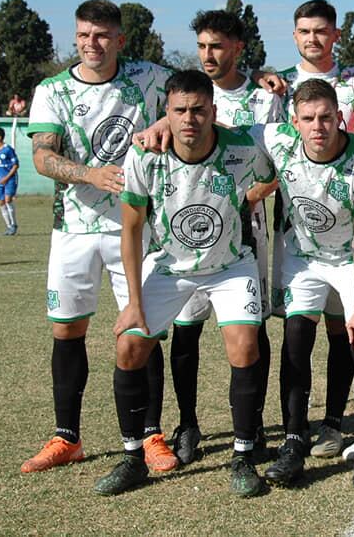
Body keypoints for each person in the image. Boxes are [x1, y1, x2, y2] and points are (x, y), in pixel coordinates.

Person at [93, 69, 275, 497]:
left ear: (213, 111)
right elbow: (132, 230)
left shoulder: (242, 146)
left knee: (245, 343)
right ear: (166, 114)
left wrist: (248, 197)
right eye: (180, 110)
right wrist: (134, 303)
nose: (189, 119)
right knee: (130, 345)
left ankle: (244, 455)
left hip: (231, 264)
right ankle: (133, 456)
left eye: (198, 110)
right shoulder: (144, 157)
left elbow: (274, 171)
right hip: (170, 268)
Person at [22, 0, 175, 475]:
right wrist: (89, 173)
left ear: (120, 40)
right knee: (67, 330)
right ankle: (66, 436)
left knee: (142, 331)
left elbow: (199, 95)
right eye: (85, 34)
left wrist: (166, 120)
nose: (93, 43)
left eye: (103, 35)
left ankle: (151, 434)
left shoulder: (148, 77)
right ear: (76, 36)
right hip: (73, 228)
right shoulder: (52, 90)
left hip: (135, 227)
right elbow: (43, 158)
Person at [257, 78, 354, 492]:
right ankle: (293, 443)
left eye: (327, 117)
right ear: (294, 122)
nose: (319, 126)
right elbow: (222, 130)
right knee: (296, 337)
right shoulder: (276, 139)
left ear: (340, 117)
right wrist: (161, 128)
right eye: (309, 118)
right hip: (304, 257)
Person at [164, 9, 284, 465]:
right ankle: (188, 423)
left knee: (251, 330)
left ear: (237, 47)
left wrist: (244, 196)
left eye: (217, 46)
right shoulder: (185, 93)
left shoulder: (263, 100)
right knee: (186, 328)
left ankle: (250, 427)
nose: (208, 54)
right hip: (184, 235)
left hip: (245, 235)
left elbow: (275, 167)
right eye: (202, 46)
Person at [273, 0, 354, 460]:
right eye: (304, 31)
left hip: (350, 226)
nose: (313, 38)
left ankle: (332, 422)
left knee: (339, 334)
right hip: (300, 232)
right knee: (297, 334)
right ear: (294, 36)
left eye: (321, 31)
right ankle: (293, 431)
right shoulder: (273, 87)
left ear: (336, 35)